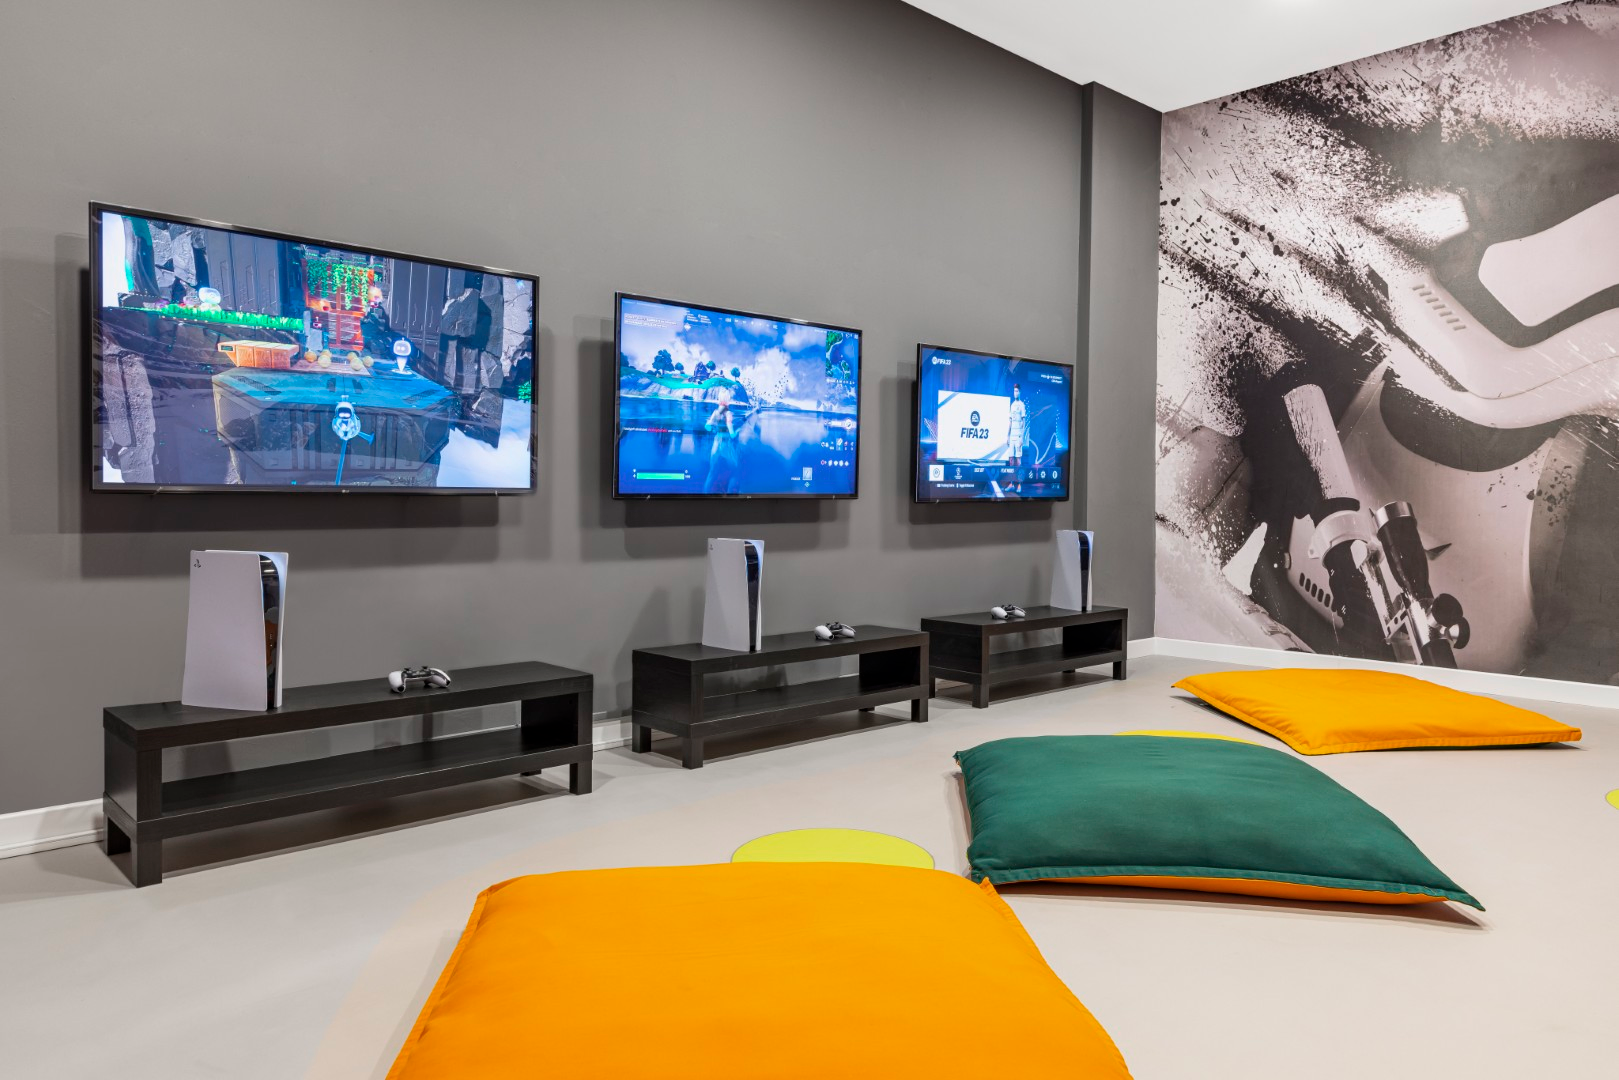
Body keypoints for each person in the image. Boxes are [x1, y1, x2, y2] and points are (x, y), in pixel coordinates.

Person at [704, 386, 742, 495]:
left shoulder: (715, 412)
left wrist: (713, 429)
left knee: (712, 472)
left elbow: (707, 426)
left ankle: (705, 494)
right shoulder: (728, 413)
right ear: (728, 399)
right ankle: (732, 494)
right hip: (726, 444)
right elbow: (732, 434)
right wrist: (737, 431)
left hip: (716, 442)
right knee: (735, 470)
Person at [1007, 384, 1028, 468]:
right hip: (1012, 436)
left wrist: (1022, 438)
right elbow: (1010, 421)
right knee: (1011, 458)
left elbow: (1023, 422)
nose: (1015, 393)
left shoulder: (1022, 405)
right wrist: (1007, 436)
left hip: (1018, 436)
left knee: (1018, 459)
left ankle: (1019, 476)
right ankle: (1011, 476)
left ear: (1019, 392)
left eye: (1016, 391)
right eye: (1014, 391)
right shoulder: (1012, 405)